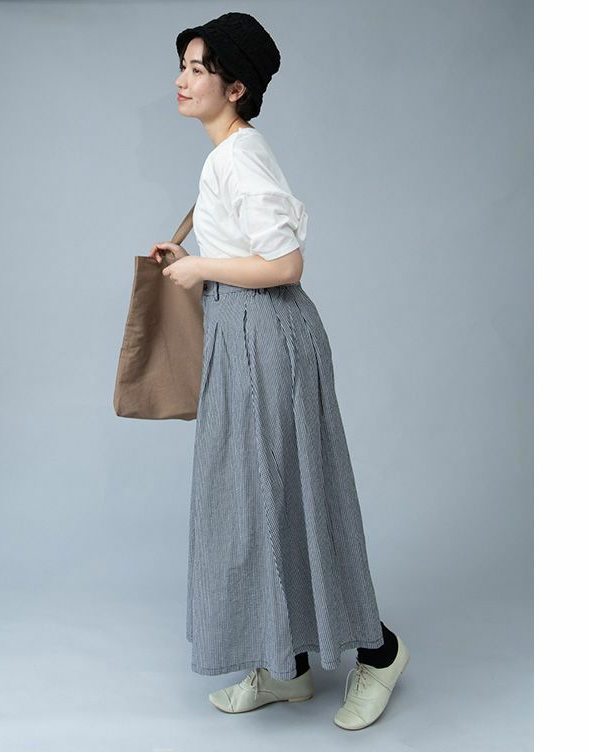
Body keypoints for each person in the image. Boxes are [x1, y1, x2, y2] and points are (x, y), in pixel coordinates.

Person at [148, 12, 409, 731]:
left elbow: (286, 264)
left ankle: (380, 652)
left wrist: (201, 266)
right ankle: (286, 665)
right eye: (182, 65)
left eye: (197, 68)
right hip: (244, 334)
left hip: (268, 339)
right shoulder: (228, 154)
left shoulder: (238, 157)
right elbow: (251, 250)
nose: (181, 79)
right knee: (256, 499)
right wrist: (198, 265)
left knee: (295, 497)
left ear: (235, 87)